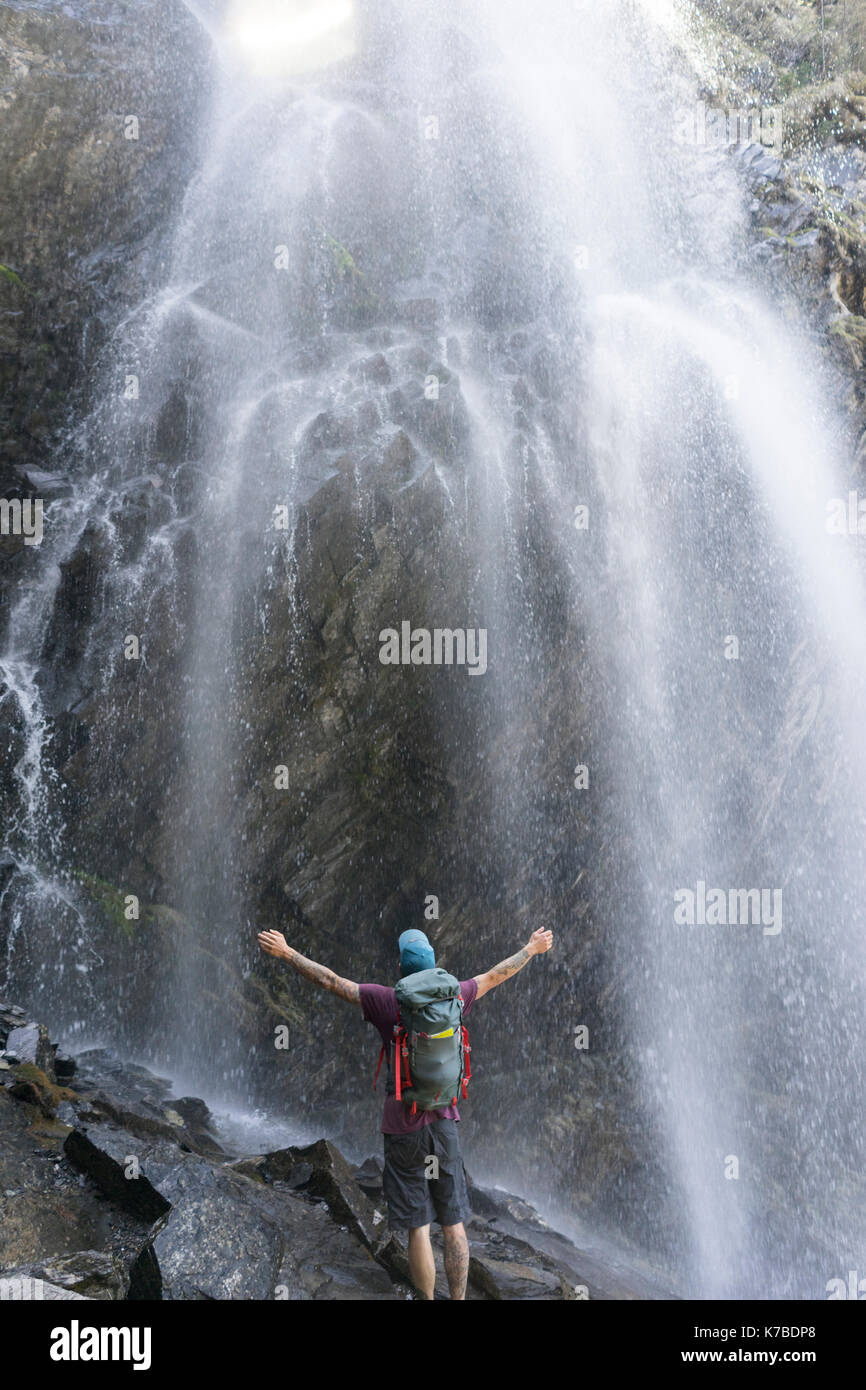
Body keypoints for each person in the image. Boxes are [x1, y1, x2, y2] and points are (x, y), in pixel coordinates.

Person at [257, 922, 554, 1300]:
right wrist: (531, 948)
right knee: (454, 1224)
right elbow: (498, 973)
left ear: (402, 968)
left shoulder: (387, 1000)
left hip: (402, 1127)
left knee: (418, 1226)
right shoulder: (457, 995)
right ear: (432, 964)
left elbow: (332, 981)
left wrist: (286, 953)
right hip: (444, 1122)